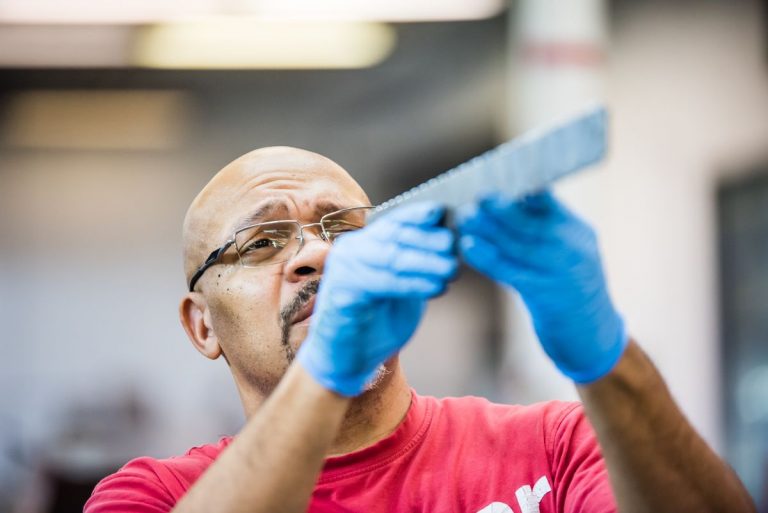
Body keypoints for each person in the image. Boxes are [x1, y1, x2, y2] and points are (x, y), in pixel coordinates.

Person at [85, 146, 754, 513]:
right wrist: (324, 375)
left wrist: (607, 356)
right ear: (202, 326)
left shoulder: (554, 449)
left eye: (343, 226)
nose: (318, 254)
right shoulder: (153, 496)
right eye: (262, 241)